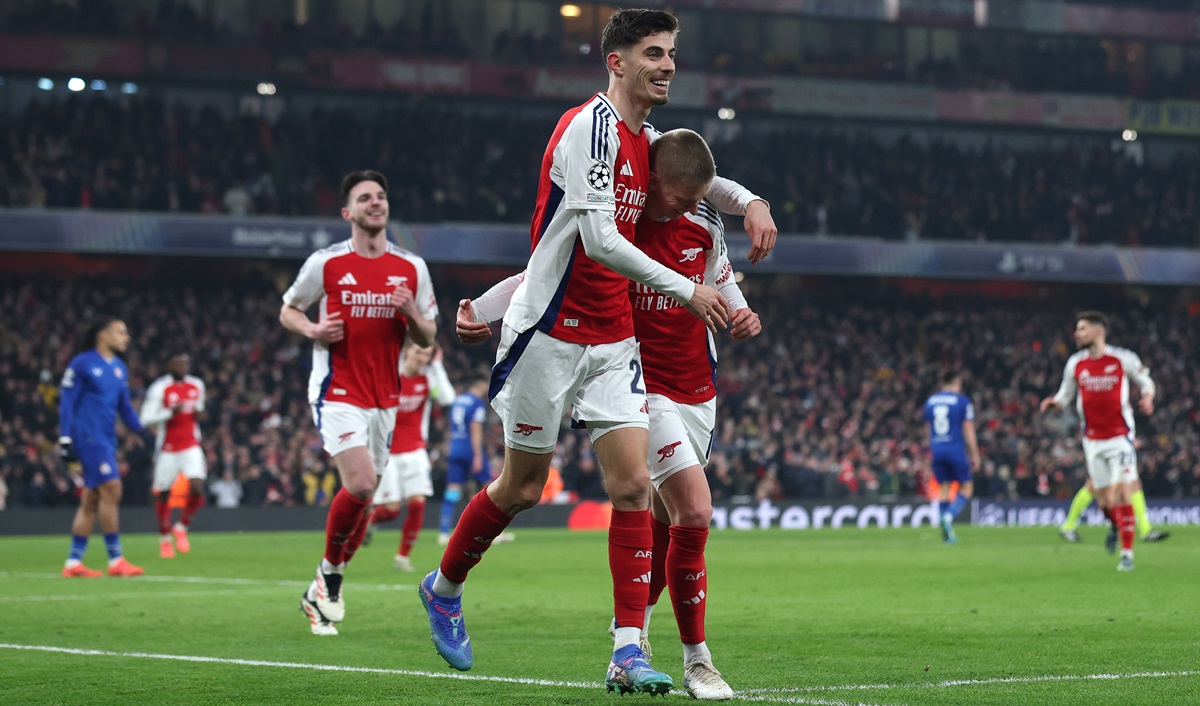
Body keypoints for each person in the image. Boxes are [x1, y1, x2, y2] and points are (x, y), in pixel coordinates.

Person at [417, 9, 736, 695]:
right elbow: (595, 243)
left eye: (672, 53)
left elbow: (705, 178)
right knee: (523, 487)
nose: (667, 65)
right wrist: (688, 290)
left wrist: (756, 202)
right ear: (615, 62)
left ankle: (628, 650)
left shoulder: (643, 140)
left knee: (631, 487)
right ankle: (444, 588)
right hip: (549, 334)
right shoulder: (586, 130)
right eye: (653, 53)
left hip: (613, 337)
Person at [461, 129, 765, 700]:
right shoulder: (615, 229)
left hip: (698, 385)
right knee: (694, 511)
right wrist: (481, 309)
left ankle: (633, 636)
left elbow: (721, 280)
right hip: (638, 385)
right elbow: (538, 276)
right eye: (675, 197)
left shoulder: (704, 224)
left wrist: (743, 310)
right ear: (651, 182)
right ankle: (698, 660)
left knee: (662, 514)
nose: (682, 208)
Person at [281, 169, 438, 636]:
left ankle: (321, 589)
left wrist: (410, 312)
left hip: (385, 397)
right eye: (365, 198)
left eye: (381, 196)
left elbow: (428, 334)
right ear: (348, 212)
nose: (376, 202)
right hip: (337, 389)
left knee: (364, 503)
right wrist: (312, 330)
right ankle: (329, 575)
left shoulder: (411, 268)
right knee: (363, 482)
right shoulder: (326, 263)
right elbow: (289, 308)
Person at [1040, 311, 1155, 572]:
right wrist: (1053, 404)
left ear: (1098, 331)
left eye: (1081, 329)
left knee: (1125, 492)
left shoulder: (1122, 358)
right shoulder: (1075, 363)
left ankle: (1127, 555)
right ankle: (1114, 524)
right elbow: (1065, 397)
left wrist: (1148, 397)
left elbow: (1146, 381)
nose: (1076, 334)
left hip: (1120, 438)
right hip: (1092, 440)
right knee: (1105, 503)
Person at [58, 316, 147, 578]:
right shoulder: (82, 363)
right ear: (103, 336)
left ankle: (73, 562)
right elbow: (67, 402)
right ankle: (115, 559)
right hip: (88, 436)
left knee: (92, 500)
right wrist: (65, 438)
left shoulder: (119, 368)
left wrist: (142, 433)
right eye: (121, 332)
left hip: (107, 438)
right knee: (113, 488)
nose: (126, 337)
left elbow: (125, 408)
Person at [363, 343, 456, 571]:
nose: (421, 358)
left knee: (418, 503)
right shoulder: (389, 378)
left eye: (425, 354)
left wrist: (437, 366)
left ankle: (402, 558)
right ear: (407, 351)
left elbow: (447, 398)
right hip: (388, 454)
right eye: (417, 352)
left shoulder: (428, 381)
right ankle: (372, 521)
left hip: (415, 450)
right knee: (391, 510)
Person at [140, 353, 207, 558]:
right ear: (169, 365)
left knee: (197, 487)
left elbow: (199, 409)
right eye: (178, 363)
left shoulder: (197, 385)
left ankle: (182, 526)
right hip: (168, 448)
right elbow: (145, 418)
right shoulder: (159, 388)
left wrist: (200, 414)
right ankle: (165, 538)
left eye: (186, 363)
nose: (182, 366)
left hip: (191, 445)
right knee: (163, 494)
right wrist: (170, 413)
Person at [438, 377, 512, 545]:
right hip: (470, 448)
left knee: (452, 491)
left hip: (455, 447)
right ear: (480, 385)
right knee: (490, 488)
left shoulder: (456, 401)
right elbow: (475, 428)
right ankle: (494, 533)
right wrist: (478, 455)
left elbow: (450, 427)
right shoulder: (476, 403)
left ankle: (443, 533)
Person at [923, 370, 981, 544]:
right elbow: (968, 429)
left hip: (937, 450)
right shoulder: (962, 401)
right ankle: (948, 516)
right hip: (955, 449)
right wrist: (974, 454)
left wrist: (929, 452)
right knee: (967, 488)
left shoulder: (930, 402)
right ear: (956, 383)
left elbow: (927, 429)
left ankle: (946, 532)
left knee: (944, 488)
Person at [1058, 477, 1170, 545]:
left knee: (1134, 483)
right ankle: (1068, 526)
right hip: (1105, 443)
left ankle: (1145, 530)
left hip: (1116, 444)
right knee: (1093, 485)